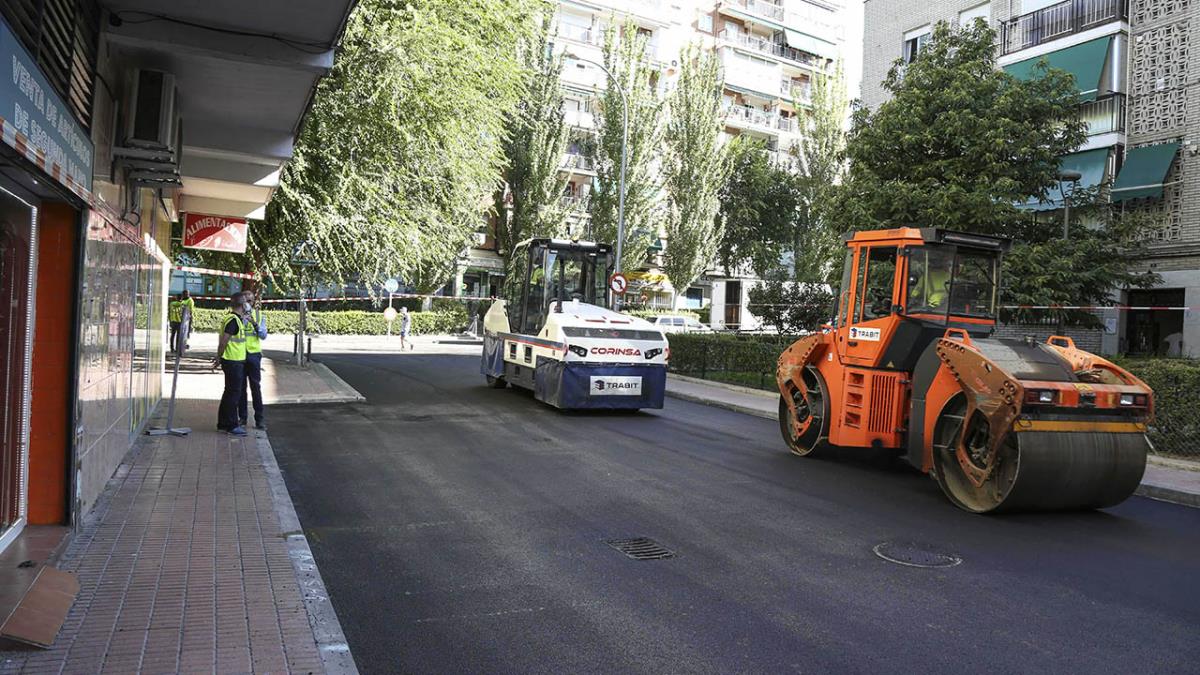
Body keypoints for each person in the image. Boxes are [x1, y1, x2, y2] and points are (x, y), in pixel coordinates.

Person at [213, 293, 249, 436]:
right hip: (233, 362)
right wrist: (218, 357)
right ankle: (232, 425)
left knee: (228, 393)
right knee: (234, 394)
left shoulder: (234, 319)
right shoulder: (233, 320)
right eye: (246, 301)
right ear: (242, 304)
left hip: (233, 361)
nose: (248, 304)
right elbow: (224, 341)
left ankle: (223, 423)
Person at [239, 290, 267, 431]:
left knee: (255, 387)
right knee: (241, 388)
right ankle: (242, 418)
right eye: (245, 301)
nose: (247, 304)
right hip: (239, 355)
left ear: (254, 302)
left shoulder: (259, 315)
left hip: (254, 355)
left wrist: (254, 323)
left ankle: (259, 419)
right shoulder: (237, 314)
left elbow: (263, 335)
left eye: (250, 301)